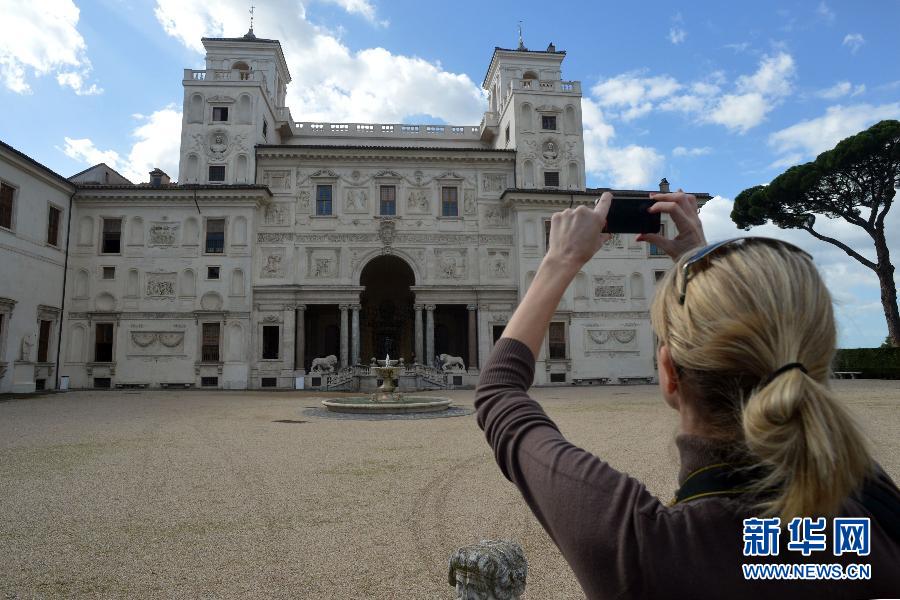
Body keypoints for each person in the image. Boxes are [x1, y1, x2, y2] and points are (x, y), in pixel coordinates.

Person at [474, 190, 900, 599]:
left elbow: (498, 392)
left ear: (669, 373)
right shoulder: (871, 503)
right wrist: (702, 265)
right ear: (817, 358)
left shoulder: (646, 545)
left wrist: (560, 260)